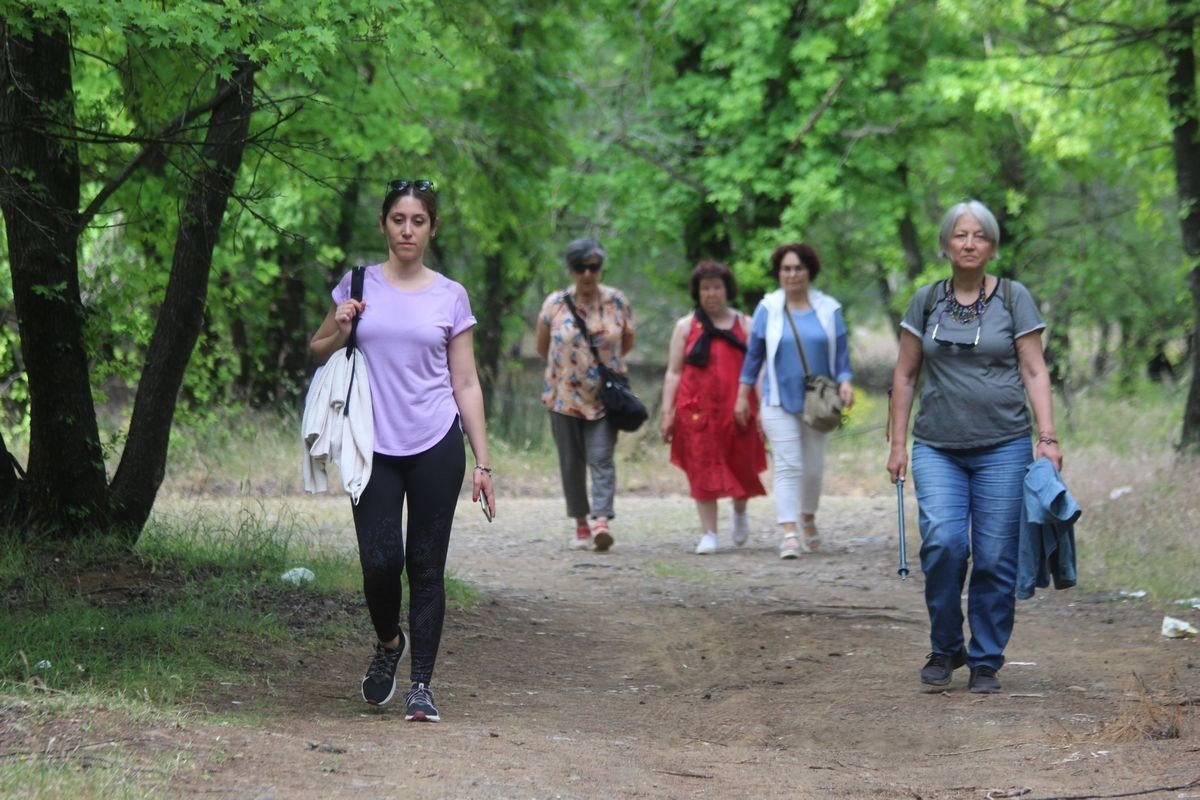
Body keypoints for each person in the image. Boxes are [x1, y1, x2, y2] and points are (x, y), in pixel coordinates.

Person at [308, 178, 495, 720]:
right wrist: (341, 328)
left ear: (432, 228)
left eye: (418, 221)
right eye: (398, 219)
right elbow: (318, 351)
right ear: (384, 224)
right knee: (379, 562)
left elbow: (466, 383)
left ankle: (421, 686)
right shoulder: (357, 283)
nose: (407, 229)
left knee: (427, 566)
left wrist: (483, 461)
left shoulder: (450, 295)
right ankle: (390, 644)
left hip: (436, 442)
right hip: (372, 447)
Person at [886, 199, 1063, 694]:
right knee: (943, 543)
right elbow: (903, 375)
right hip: (937, 445)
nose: (969, 243)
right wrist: (897, 444)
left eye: (979, 236)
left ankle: (986, 657)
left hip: (1003, 446)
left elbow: (1034, 370)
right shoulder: (926, 301)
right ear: (946, 244)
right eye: (960, 235)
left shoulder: (1013, 298)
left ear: (991, 246)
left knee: (993, 556)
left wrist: (1046, 438)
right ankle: (946, 647)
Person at [735, 243, 854, 559]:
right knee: (789, 465)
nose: (792, 274)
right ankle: (788, 532)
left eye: (798, 268)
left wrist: (846, 383)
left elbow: (842, 354)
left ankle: (808, 517)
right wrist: (743, 395)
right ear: (778, 273)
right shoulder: (768, 308)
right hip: (777, 398)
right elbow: (754, 356)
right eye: (786, 269)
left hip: (818, 399)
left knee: (813, 468)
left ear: (809, 271)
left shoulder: (829, 309)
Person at [535, 237, 636, 552]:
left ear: (601, 268)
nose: (588, 274)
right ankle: (580, 522)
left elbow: (627, 340)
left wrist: (606, 365)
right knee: (571, 462)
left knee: (601, 456)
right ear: (571, 269)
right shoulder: (554, 304)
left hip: (605, 398)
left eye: (594, 267)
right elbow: (542, 346)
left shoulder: (618, 301)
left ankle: (601, 521)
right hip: (563, 396)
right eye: (581, 267)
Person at [661, 260, 767, 554]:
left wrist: (763, 409)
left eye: (717, 287)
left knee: (741, 464)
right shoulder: (685, 327)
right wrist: (667, 412)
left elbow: (757, 369)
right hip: (696, 411)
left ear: (727, 290)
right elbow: (673, 372)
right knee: (701, 468)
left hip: (740, 408)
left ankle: (740, 511)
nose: (711, 294)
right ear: (697, 291)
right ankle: (708, 533)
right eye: (705, 288)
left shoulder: (746, 324)